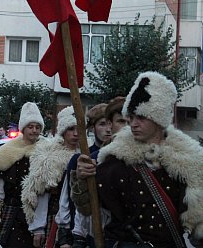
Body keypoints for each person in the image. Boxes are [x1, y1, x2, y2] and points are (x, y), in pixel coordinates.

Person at [73, 72, 203, 247]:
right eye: (131, 117)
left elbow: (197, 228)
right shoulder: (114, 158)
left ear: (158, 119)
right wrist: (83, 180)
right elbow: (88, 215)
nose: (133, 124)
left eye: (140, 117)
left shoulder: (188, 161)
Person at [62, 97, 128, 248]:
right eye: (102, 124)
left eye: (129, 121)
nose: (106, 129)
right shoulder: (85, 159)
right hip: (97, 235)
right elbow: (71, 202)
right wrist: (69, 235)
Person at [0, 102, 45, 248]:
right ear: (23, 128)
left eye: (38, 127)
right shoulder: (8, 151)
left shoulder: (46, 148)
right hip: (13, 213)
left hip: (39, 213)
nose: (34, 130)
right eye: (30, 127)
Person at [21, 106, 79, 248]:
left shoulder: (88, 153)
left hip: (81, 219)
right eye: (71, 129)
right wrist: (38, 228)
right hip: (56, 218)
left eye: (79, 129)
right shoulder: (49, 157)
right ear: (63, 131)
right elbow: (41, 195)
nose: (76, 134)